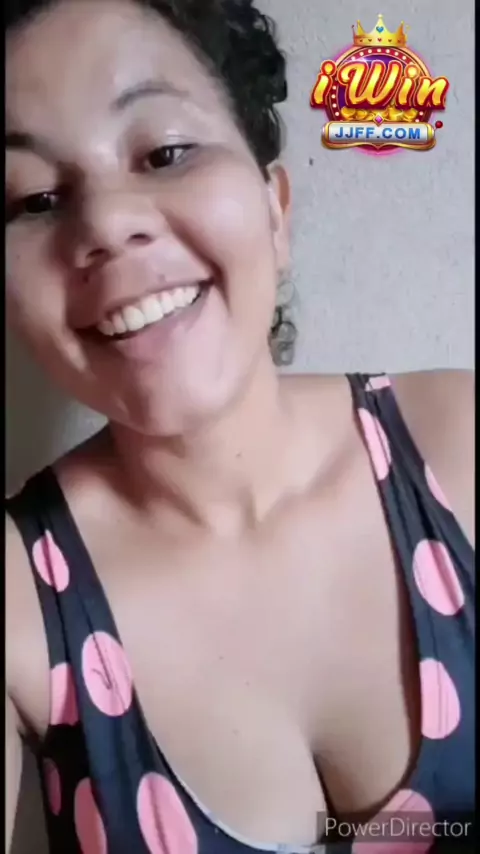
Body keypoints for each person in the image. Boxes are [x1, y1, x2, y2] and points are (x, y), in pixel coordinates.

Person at [5, 1, 474, 852]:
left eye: (165, 153)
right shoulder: (16, 595)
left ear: (275, 209)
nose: (106, 224)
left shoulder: (462, 444)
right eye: (35, 199)